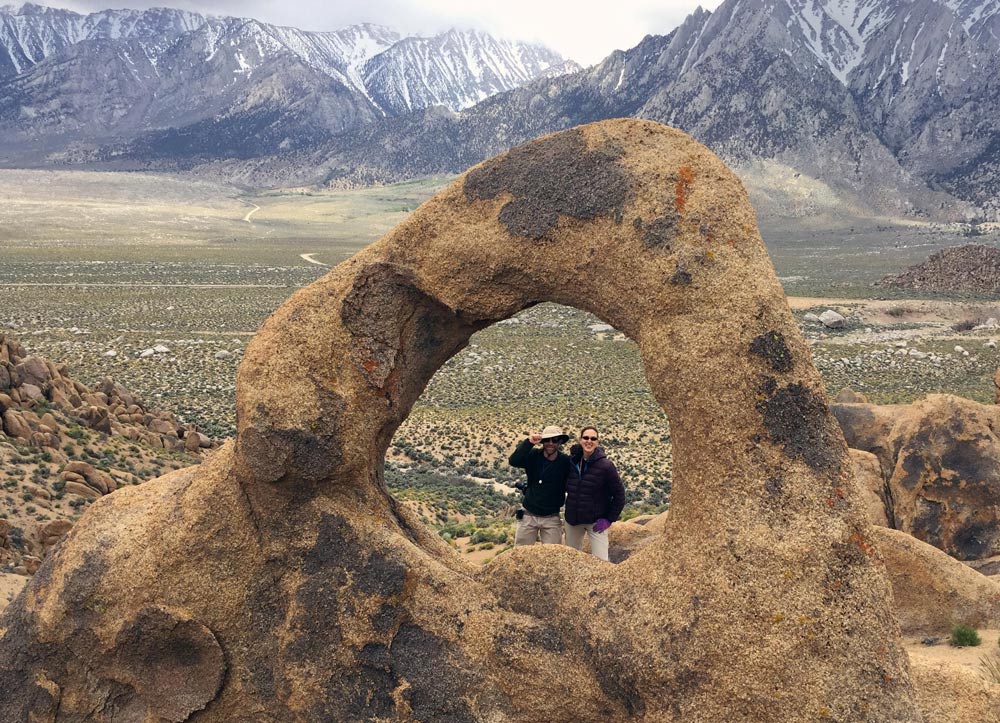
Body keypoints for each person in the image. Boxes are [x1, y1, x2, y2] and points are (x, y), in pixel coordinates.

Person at [564, 426, 626, 561]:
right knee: (571, 560)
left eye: (593, 438)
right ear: (580, 440)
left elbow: (619, 495)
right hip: (573, 519)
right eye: (586, 438)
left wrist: (609, 519)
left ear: (597, 442)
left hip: (596, 522)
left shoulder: (606, 466)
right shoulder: (571, 461)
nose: (589, 441)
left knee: (602, 562)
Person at [507, 425, 572, 546]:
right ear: (542, 441)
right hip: (528, 515)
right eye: (547, 440)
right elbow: (513, 461)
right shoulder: (533, 456)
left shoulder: (565, 462)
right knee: (521, 554)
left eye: (555, 440)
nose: (550, 443)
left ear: (560, 441)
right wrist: (529, 442)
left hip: (551, 517)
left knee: (552, 556)